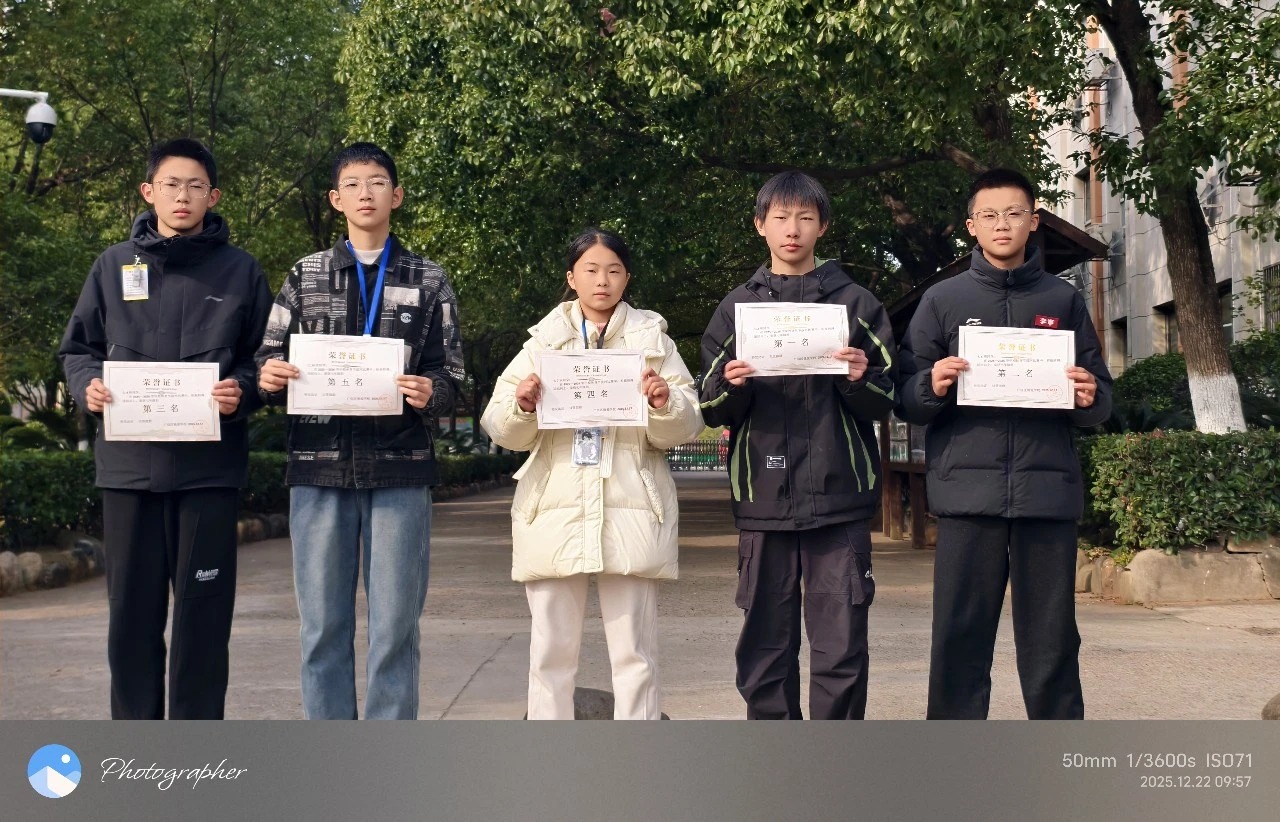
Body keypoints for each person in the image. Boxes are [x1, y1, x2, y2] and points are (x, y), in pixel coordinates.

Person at [58, 138, 273, 719]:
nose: (183, 196)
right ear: (148, 191)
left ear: (213, 196)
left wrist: (242, 391)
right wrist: (89, 387)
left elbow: (264, 359)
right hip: (129, 473)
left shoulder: (241, 271)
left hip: (208, 473)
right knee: (131, 619)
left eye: (195, 186)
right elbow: (78, 350)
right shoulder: (112, 266)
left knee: (204, 619)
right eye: (171, 184)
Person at [255, 142, 464, 719]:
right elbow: (267, 359)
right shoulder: (305, 276)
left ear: (396, 196)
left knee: (395, 629)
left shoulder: (429, 280)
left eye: (377, 183)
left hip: (400, 470)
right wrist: (269, 375)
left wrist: (431, 391)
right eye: (352, 184)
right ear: (335, 199)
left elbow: (451, 374)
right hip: (317, 469)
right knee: (322, 628)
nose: (365, 193)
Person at [895, 167, 1113, 720]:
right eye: (989, 215)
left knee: (1052, 639)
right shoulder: (943, 300)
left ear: (1033, 221)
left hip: (1047, 495)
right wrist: (931, 384)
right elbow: (906, 396)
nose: (1002, 224)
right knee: (960, 636)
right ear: (971, 225)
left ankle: (1057, 755)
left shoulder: (1062, 300)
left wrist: (1089, 395)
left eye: (1014, 213)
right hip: (968, 495)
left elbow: (1100, 396)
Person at [480, 227, 702, 720]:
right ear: (571, 278)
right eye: (591, 270)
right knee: (550, 656)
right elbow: (499, 426)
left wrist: (664, 403)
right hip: (554, 510)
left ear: (627, 279)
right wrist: (522, 405)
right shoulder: (541, 345)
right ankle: (550, 757)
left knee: (635, 656)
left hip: (633, 507)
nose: (603, 281)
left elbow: (687, 424)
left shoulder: (654, 343)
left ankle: (636, 757)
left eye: (614, 271)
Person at [698, 172, 897, 719]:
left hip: (840, 500)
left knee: (841, 644)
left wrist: (858, 377)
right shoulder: (736, 309)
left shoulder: (855, 304)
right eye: (781, 218)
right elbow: (709, 405)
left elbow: (886, 397)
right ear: (760, 225)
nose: (793, 229)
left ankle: (833, 759)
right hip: (764, 499)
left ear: (822, 226)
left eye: (805, 218)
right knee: (765, 646)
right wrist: (732, 386)